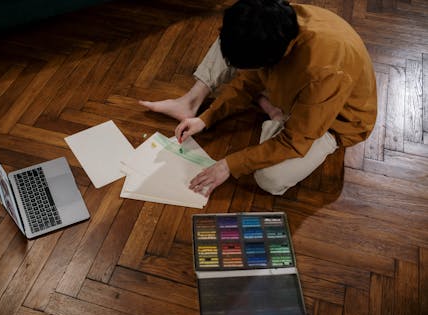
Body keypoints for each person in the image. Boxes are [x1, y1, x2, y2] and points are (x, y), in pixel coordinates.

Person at [139, 0, 377, 197]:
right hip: (294, 88)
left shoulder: (323, 71)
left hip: (335, 123)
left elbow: (294, 141)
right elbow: (249, 80)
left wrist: (229, 165)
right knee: (235, 37)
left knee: (270, 179)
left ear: (271, 60)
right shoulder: (272, 20)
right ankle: (197, 104)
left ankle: (276, 115)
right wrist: (206, 118)